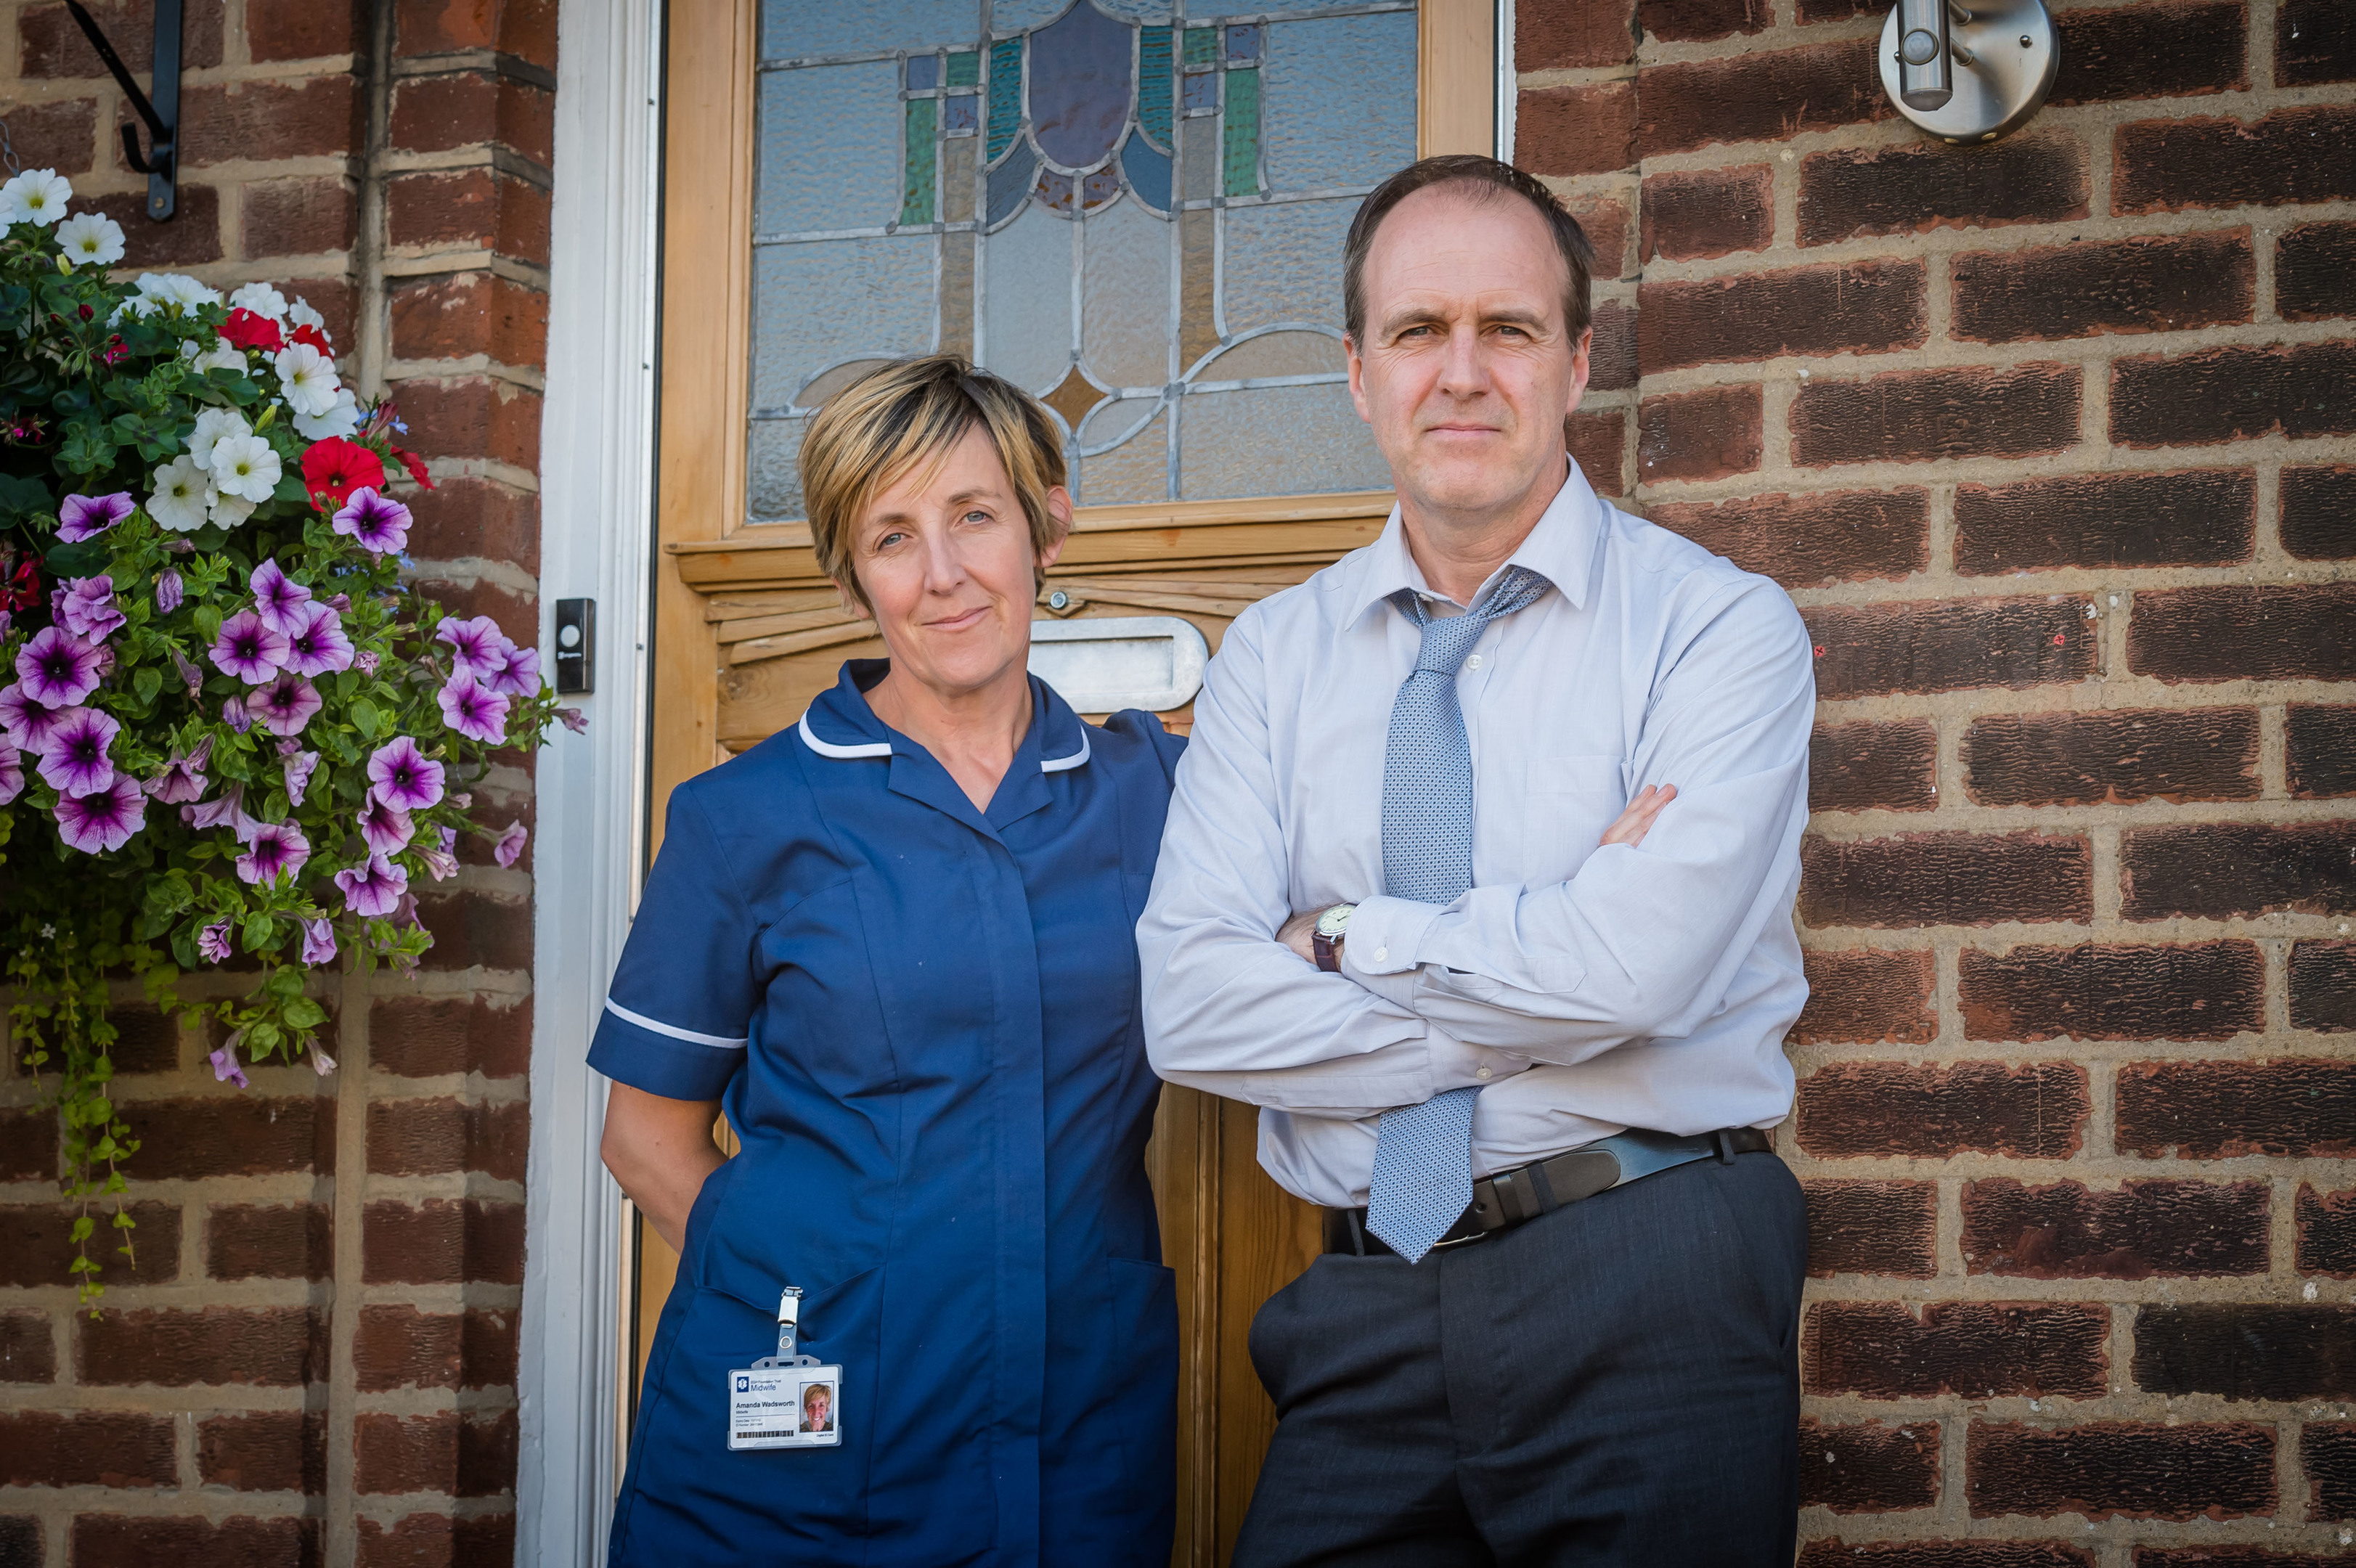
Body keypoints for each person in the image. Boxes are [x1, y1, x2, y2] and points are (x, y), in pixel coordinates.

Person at [1139, 154, 1814, 1565]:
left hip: (1652, 1269)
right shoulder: (1273, 658)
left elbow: (1640, 963)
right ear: (1357, 373)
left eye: (1505, 330)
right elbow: (1191, 1008)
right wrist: (1555, 989)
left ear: (1575, 364)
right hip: (1366, 1304)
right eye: (1415, 332)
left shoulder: (1717, 631)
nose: (1460, 373)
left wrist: (1344, 938)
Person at [594, 356, 1183, 1566]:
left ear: (1047, 528)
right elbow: (643, 1140)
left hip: (1078, 1413)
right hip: (798, 1429)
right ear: (853, 572)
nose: (944, 574)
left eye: (975, 517)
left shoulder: (1157, 794)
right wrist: (808, 1294)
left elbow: (1308, 916)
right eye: (893, 536)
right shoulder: (745, 817)